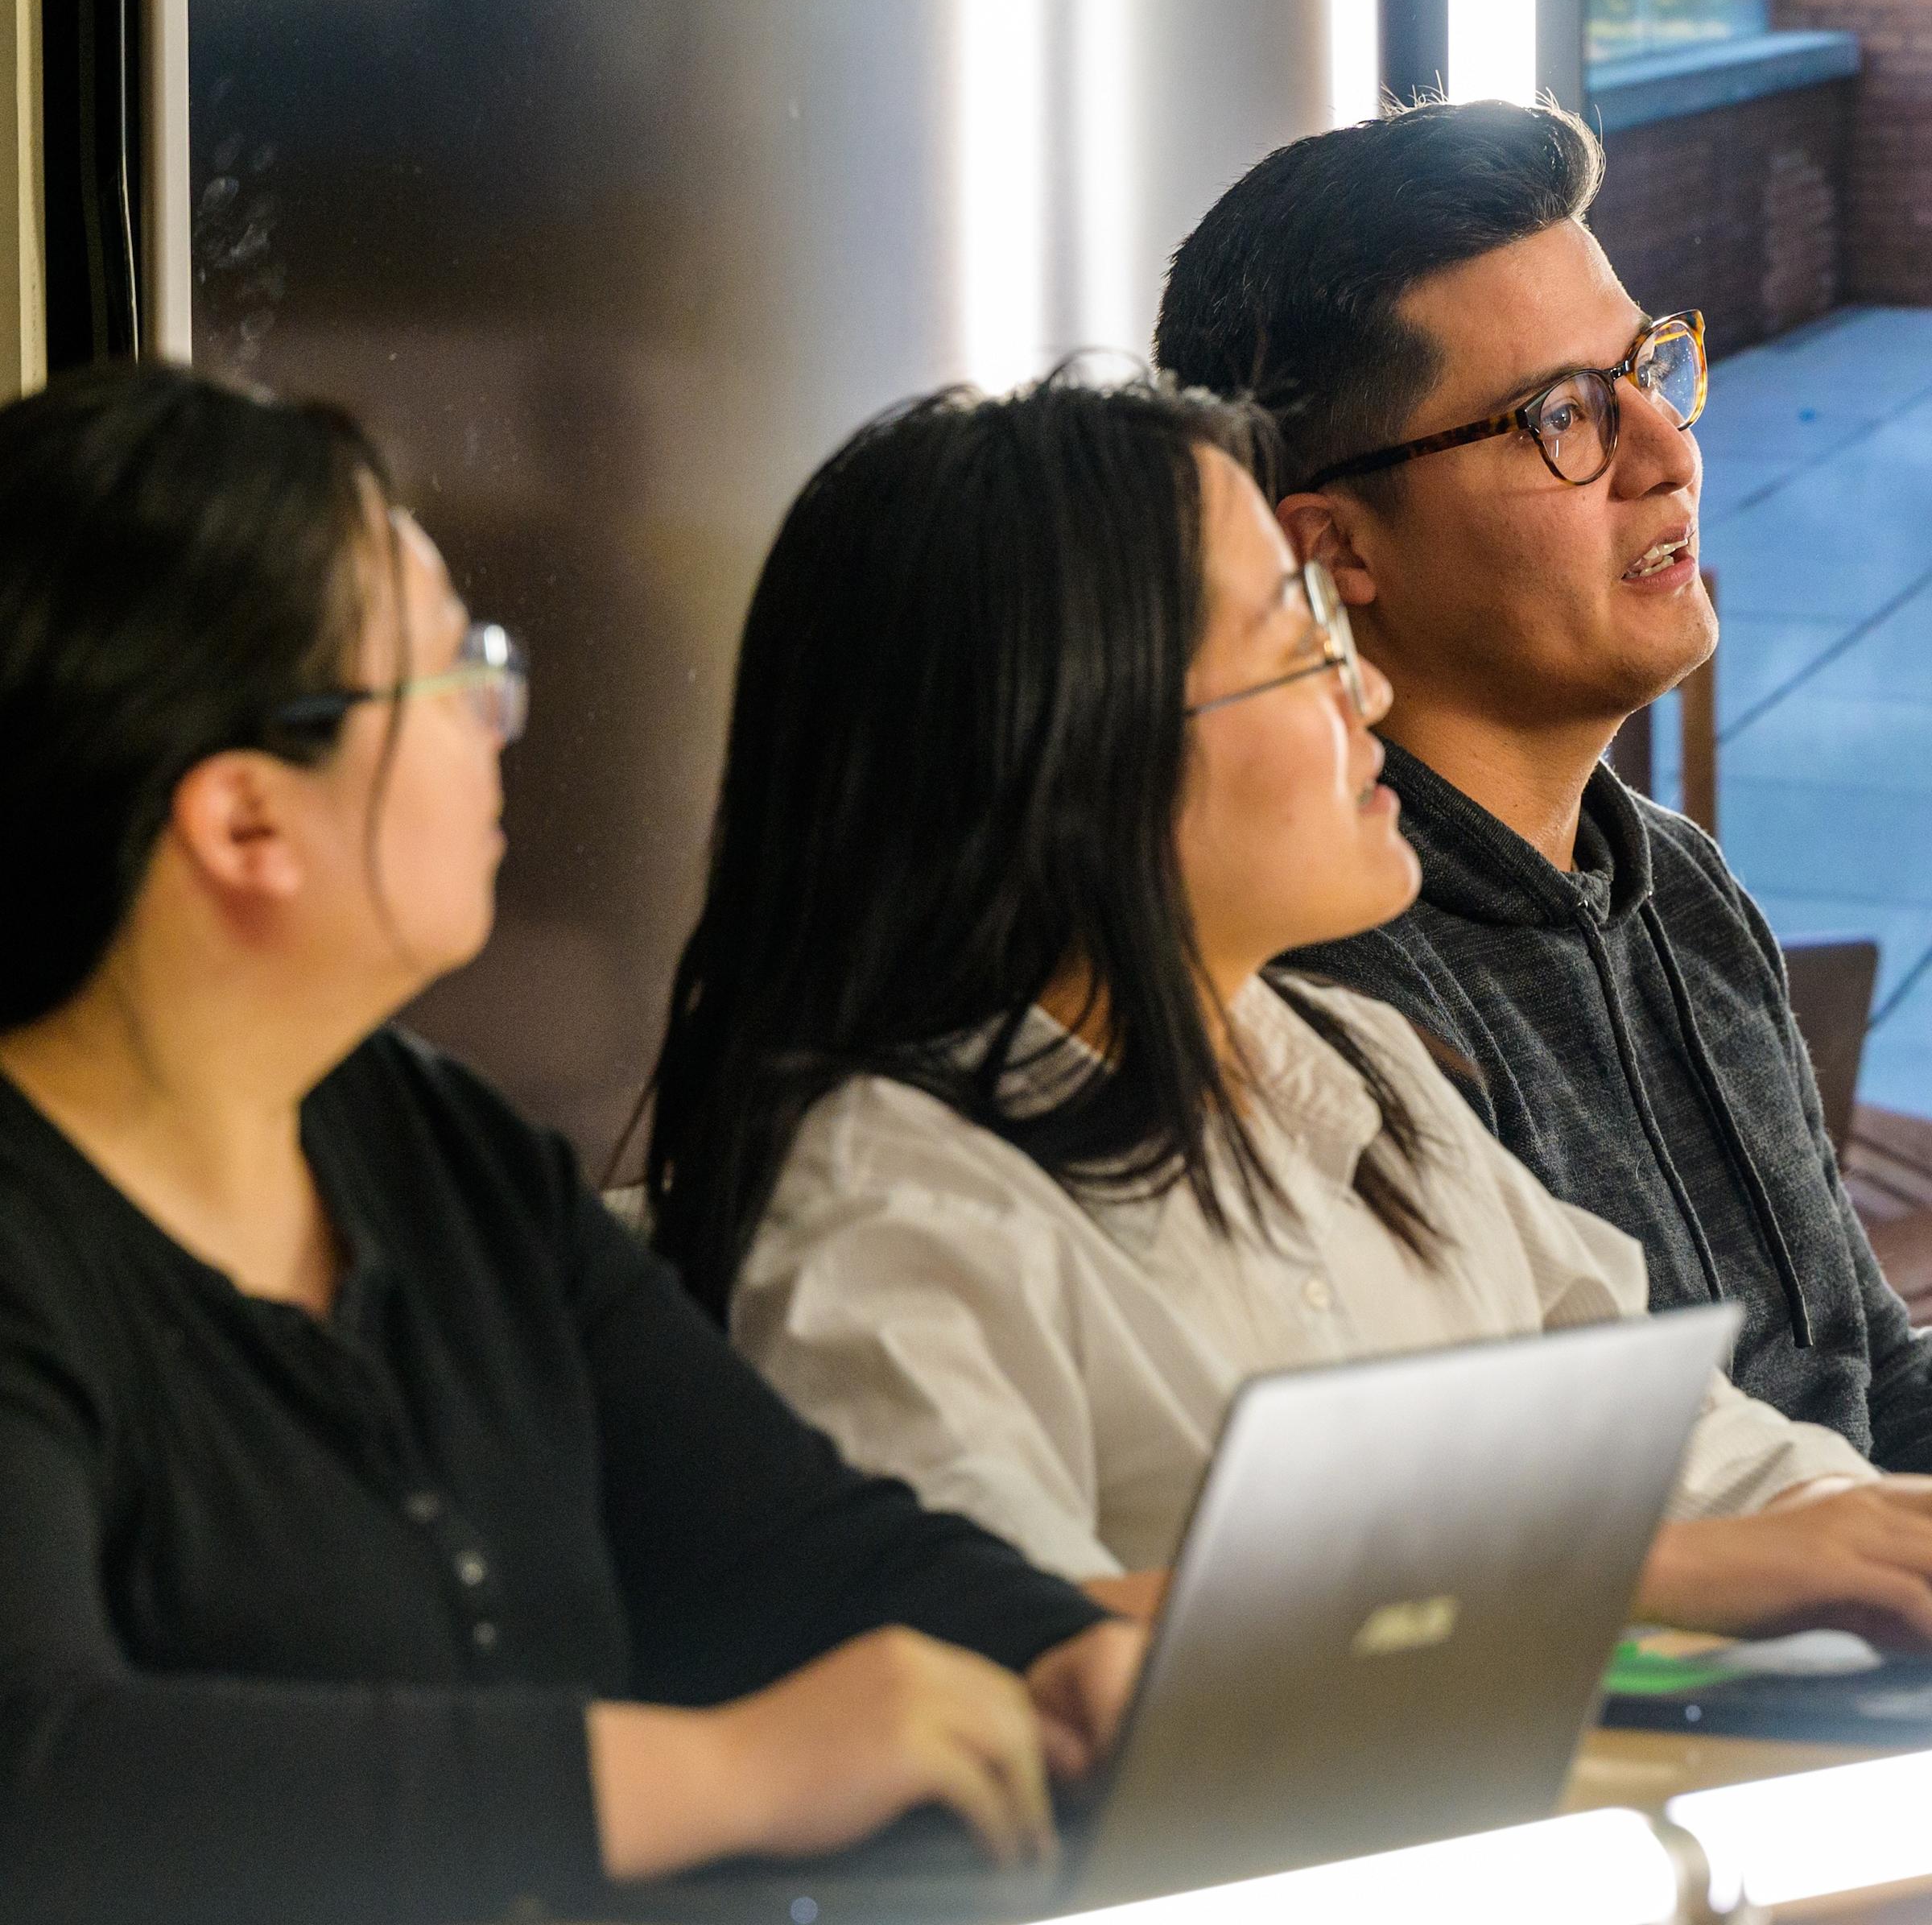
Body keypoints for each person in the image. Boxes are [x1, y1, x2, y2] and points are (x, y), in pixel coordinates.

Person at [0, 363, 1142, 1925]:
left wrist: (1058, 1652)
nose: (499, 725)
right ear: (247, 823)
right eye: (448, 675)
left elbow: (787, 1544)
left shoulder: (432, 1143)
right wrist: (722, 1774)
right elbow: (46, 1781)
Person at [648, 369, 1932, 1642]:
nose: (1365, 688)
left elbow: (1673, 1438)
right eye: (1301, 644)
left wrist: (1858, 1537)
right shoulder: (897, 1204)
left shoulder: (1353, 1066)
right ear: (1084, 737)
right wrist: (1636, 1572)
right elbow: (982, 1656)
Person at [1149, 97, 1932, 1472]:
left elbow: (1870, 1388)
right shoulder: (1328, 992)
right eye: (1562, 415)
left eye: (1648, 370)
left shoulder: (1674, 882)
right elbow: (1543, 1544)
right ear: (1333, 552)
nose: (1667, 454)